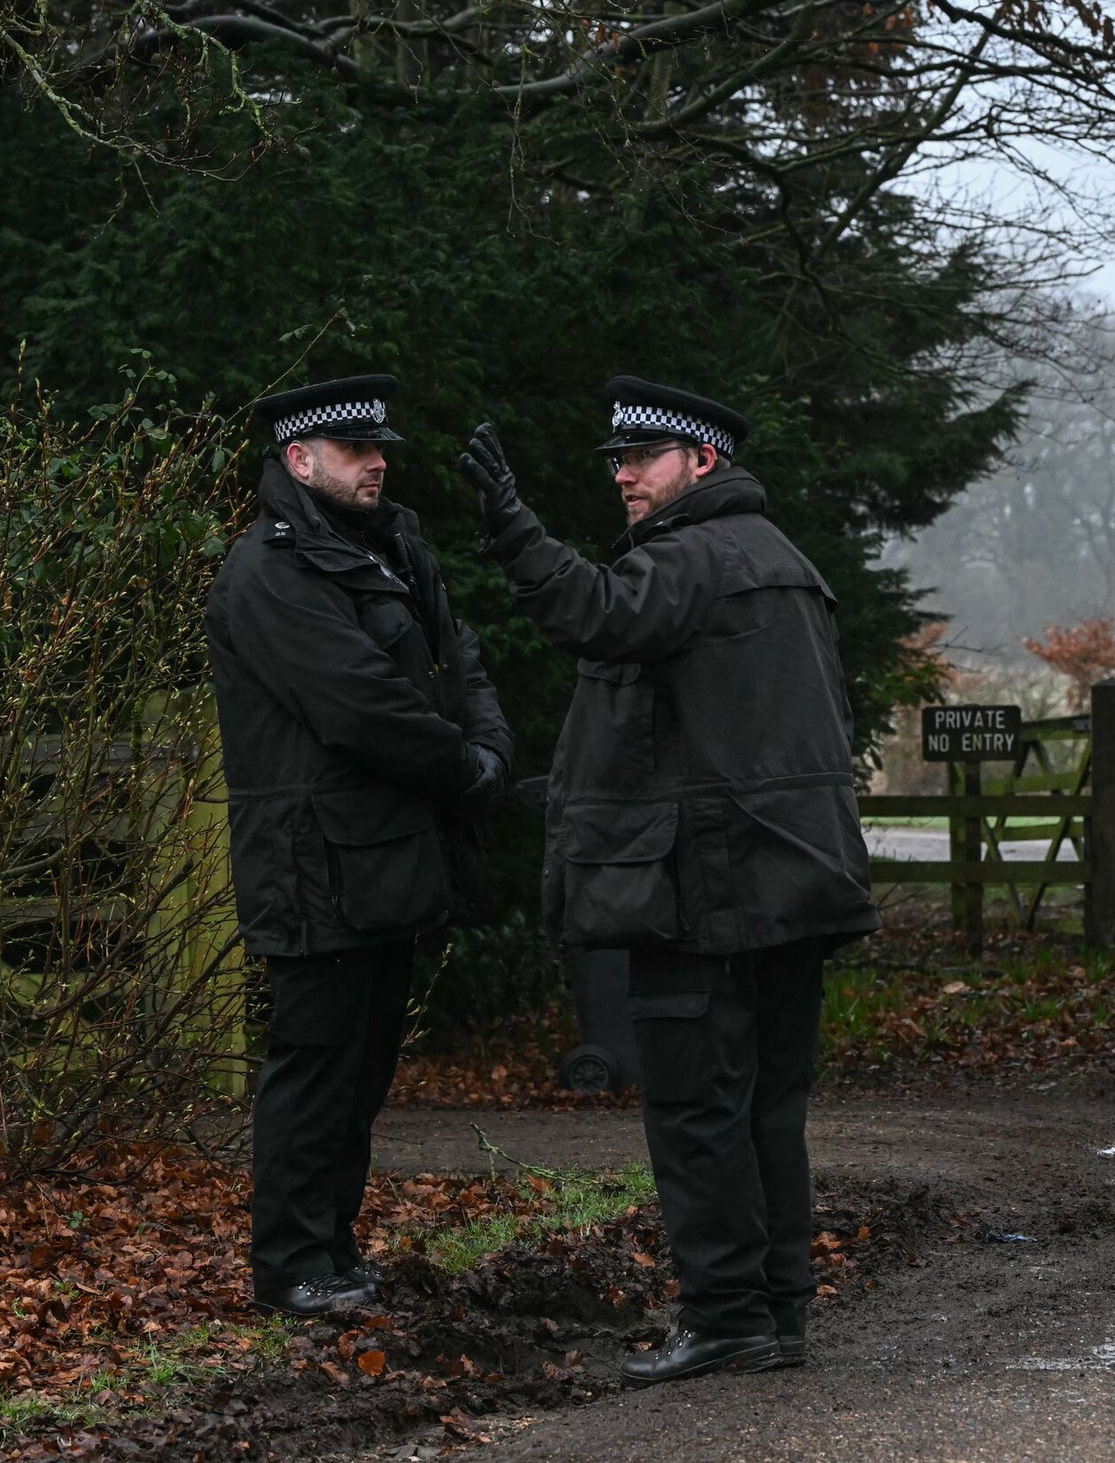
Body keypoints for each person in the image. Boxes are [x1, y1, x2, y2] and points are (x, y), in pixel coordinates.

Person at [458, 376, 877, 1384]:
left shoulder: (690, 559)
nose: (624, 476)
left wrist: (514, 530)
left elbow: (596, 614)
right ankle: (774, 1313)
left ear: (703, 461)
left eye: (643, 457)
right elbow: (719, 729)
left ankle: (727, 1316)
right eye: (618, 460)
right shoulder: (782, 560)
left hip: (707, 893)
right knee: (768, 1108)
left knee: (697, 1110)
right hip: (790, 883)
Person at [206, 375, 513, 1317]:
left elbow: (457, 662)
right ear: (300, 460)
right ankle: (291, 1263)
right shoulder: (270, 571)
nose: (377, 462)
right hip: (314, 864)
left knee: (363, 1069)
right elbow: (358, 706)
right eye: (355, 450)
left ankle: (331, 1247)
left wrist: (491, 749)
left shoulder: (391, 550)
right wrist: (464, 768)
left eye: (379, 448)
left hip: (384, 857)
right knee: (315, 1067)